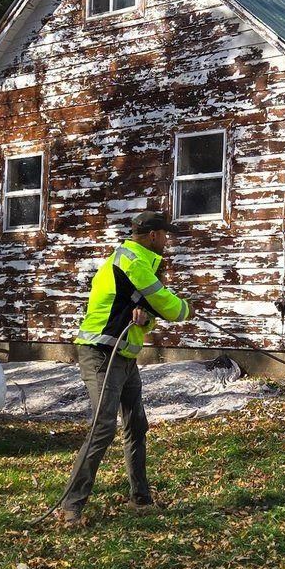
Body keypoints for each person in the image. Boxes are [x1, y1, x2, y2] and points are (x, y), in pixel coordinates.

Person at [54, 211, 192, 524]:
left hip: (124, 358)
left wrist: (145, 318)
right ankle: (71, 506)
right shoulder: (133, 262)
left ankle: (140, 500)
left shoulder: (129, 262)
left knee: (136, 425)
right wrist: (187, 308)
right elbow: (169, 306)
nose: (166, 242)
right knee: (103, 427)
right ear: (154, 235)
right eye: (164, 236)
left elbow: (142, 310)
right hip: (101, 355)